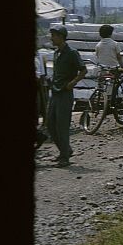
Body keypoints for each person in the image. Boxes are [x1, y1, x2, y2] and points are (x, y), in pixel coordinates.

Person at [46, 24, 85, 168]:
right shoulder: (57, 53)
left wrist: (73, 83)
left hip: (65, 93)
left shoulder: (72, 53)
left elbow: (83, 70)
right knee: (50, 124)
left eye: (54, 35)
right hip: (55, 92)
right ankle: (65, 150)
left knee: (62, 126)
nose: (51, 38)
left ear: (61, 37)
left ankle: (64, 157)